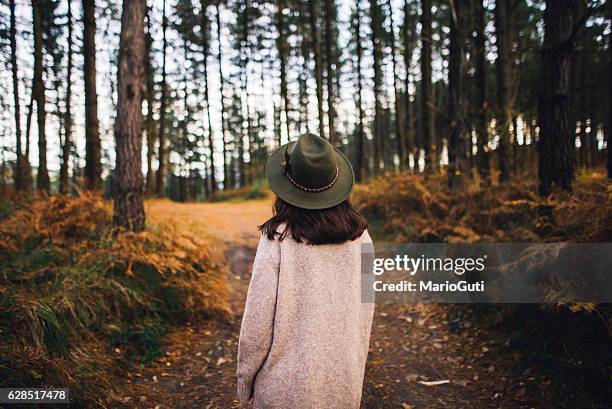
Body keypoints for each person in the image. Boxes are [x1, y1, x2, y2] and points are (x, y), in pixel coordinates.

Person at [236, 133, 375, 409]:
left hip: (281, 393)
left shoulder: (277, 238)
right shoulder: (363, 238)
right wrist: (353, 372)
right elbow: (364, 316)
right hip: (342, 389)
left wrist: (245, 382)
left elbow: (257, 321)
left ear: (286, 187)